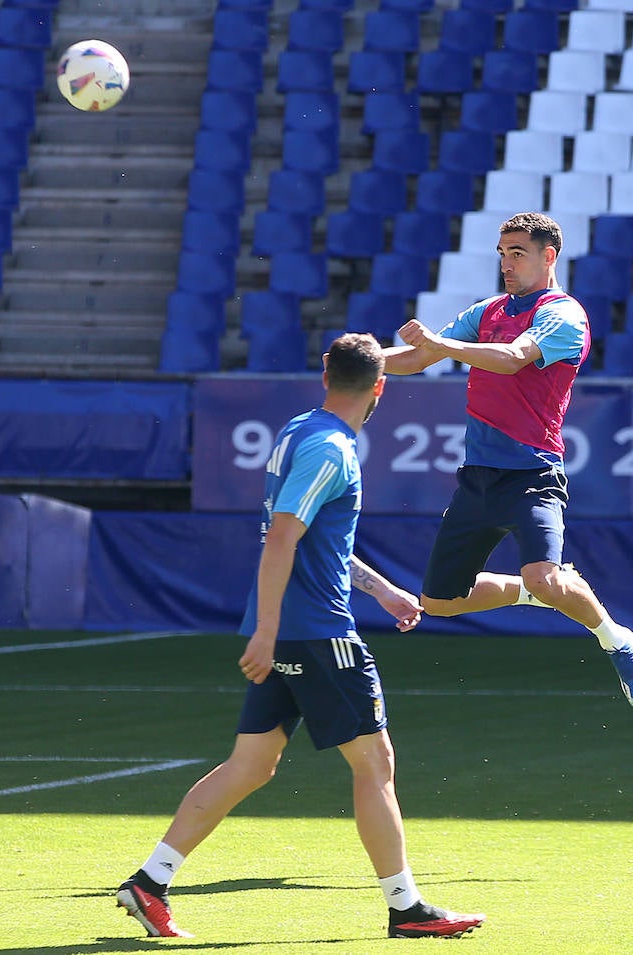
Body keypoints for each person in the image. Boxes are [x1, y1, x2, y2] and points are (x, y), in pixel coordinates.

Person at [117, 333, 485, 941]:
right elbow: (283, 537)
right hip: (316, 634)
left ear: (324, 378)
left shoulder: (298, 432)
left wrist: (383, 591)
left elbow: (317, 542)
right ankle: (406, 908)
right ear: (379, 388)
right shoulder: (332, 449)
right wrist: (266, 630)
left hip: (295, 630)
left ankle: (150, 881)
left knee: (251, 764)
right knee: (375, 765)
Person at [382, 211, 633, 710]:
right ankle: (532, 593)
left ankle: (616, 639)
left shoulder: (564, 314)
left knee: (546, 576)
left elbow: (511, 358)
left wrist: (442, 345)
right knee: (439, 603)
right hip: (477, 478)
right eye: (503, 254)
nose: (507, 265)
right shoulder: (489, 310)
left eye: (518, 254)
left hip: (532, 475)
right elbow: (415, 359)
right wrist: (361, 359)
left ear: (548, 257)